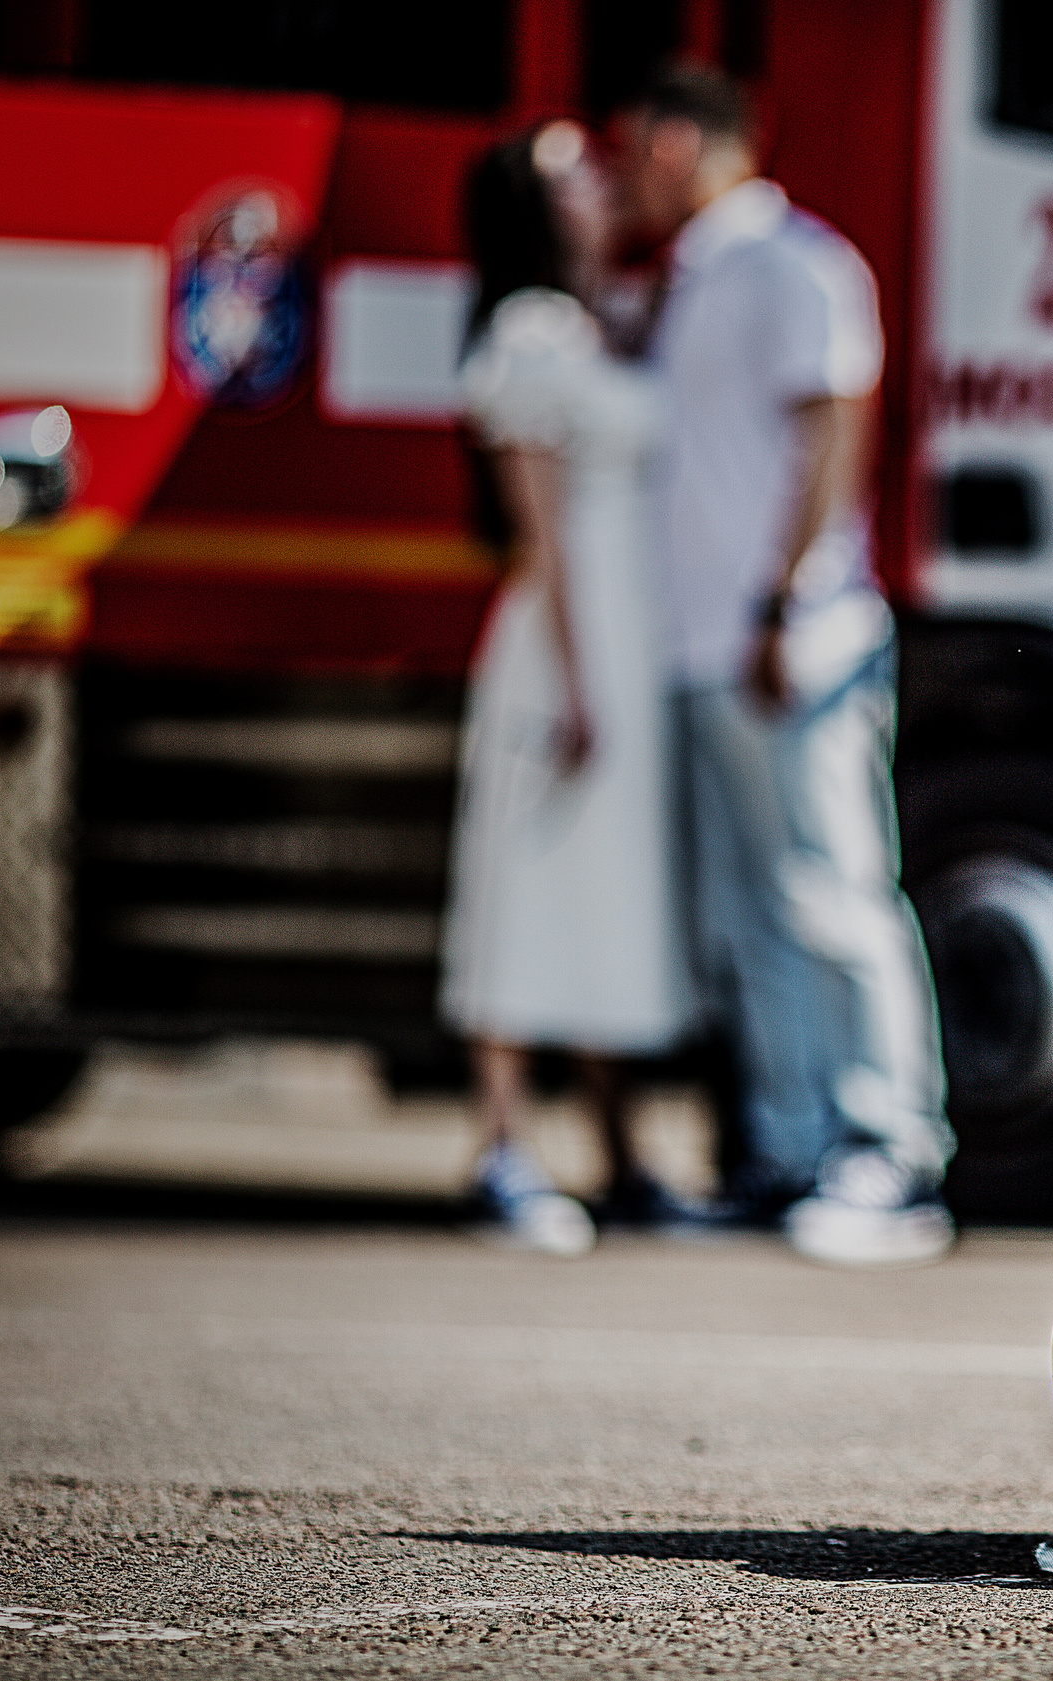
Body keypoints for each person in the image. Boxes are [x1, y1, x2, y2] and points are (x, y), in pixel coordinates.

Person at [615, 66, 957, 1269]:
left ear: (678, 141)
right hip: (711, 644)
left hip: (786, 636)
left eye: (633, 148)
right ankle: (789, 1145)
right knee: (750, 911)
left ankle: (892, 1148)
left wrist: (781, 597)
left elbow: (835, 424)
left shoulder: (791, 261)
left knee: (830, 891)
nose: (623, 171)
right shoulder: (697, 275)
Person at [442, 120, 696, 1255]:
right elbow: (534, 533)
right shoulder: (533, 335)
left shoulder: (604, 326)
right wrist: (581, 684)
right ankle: (500, 1144)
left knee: (608, 897)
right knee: (526, 888)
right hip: (563, 652)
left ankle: (618, 1149)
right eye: (571, 176)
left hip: (616, 656)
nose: (596, 183)